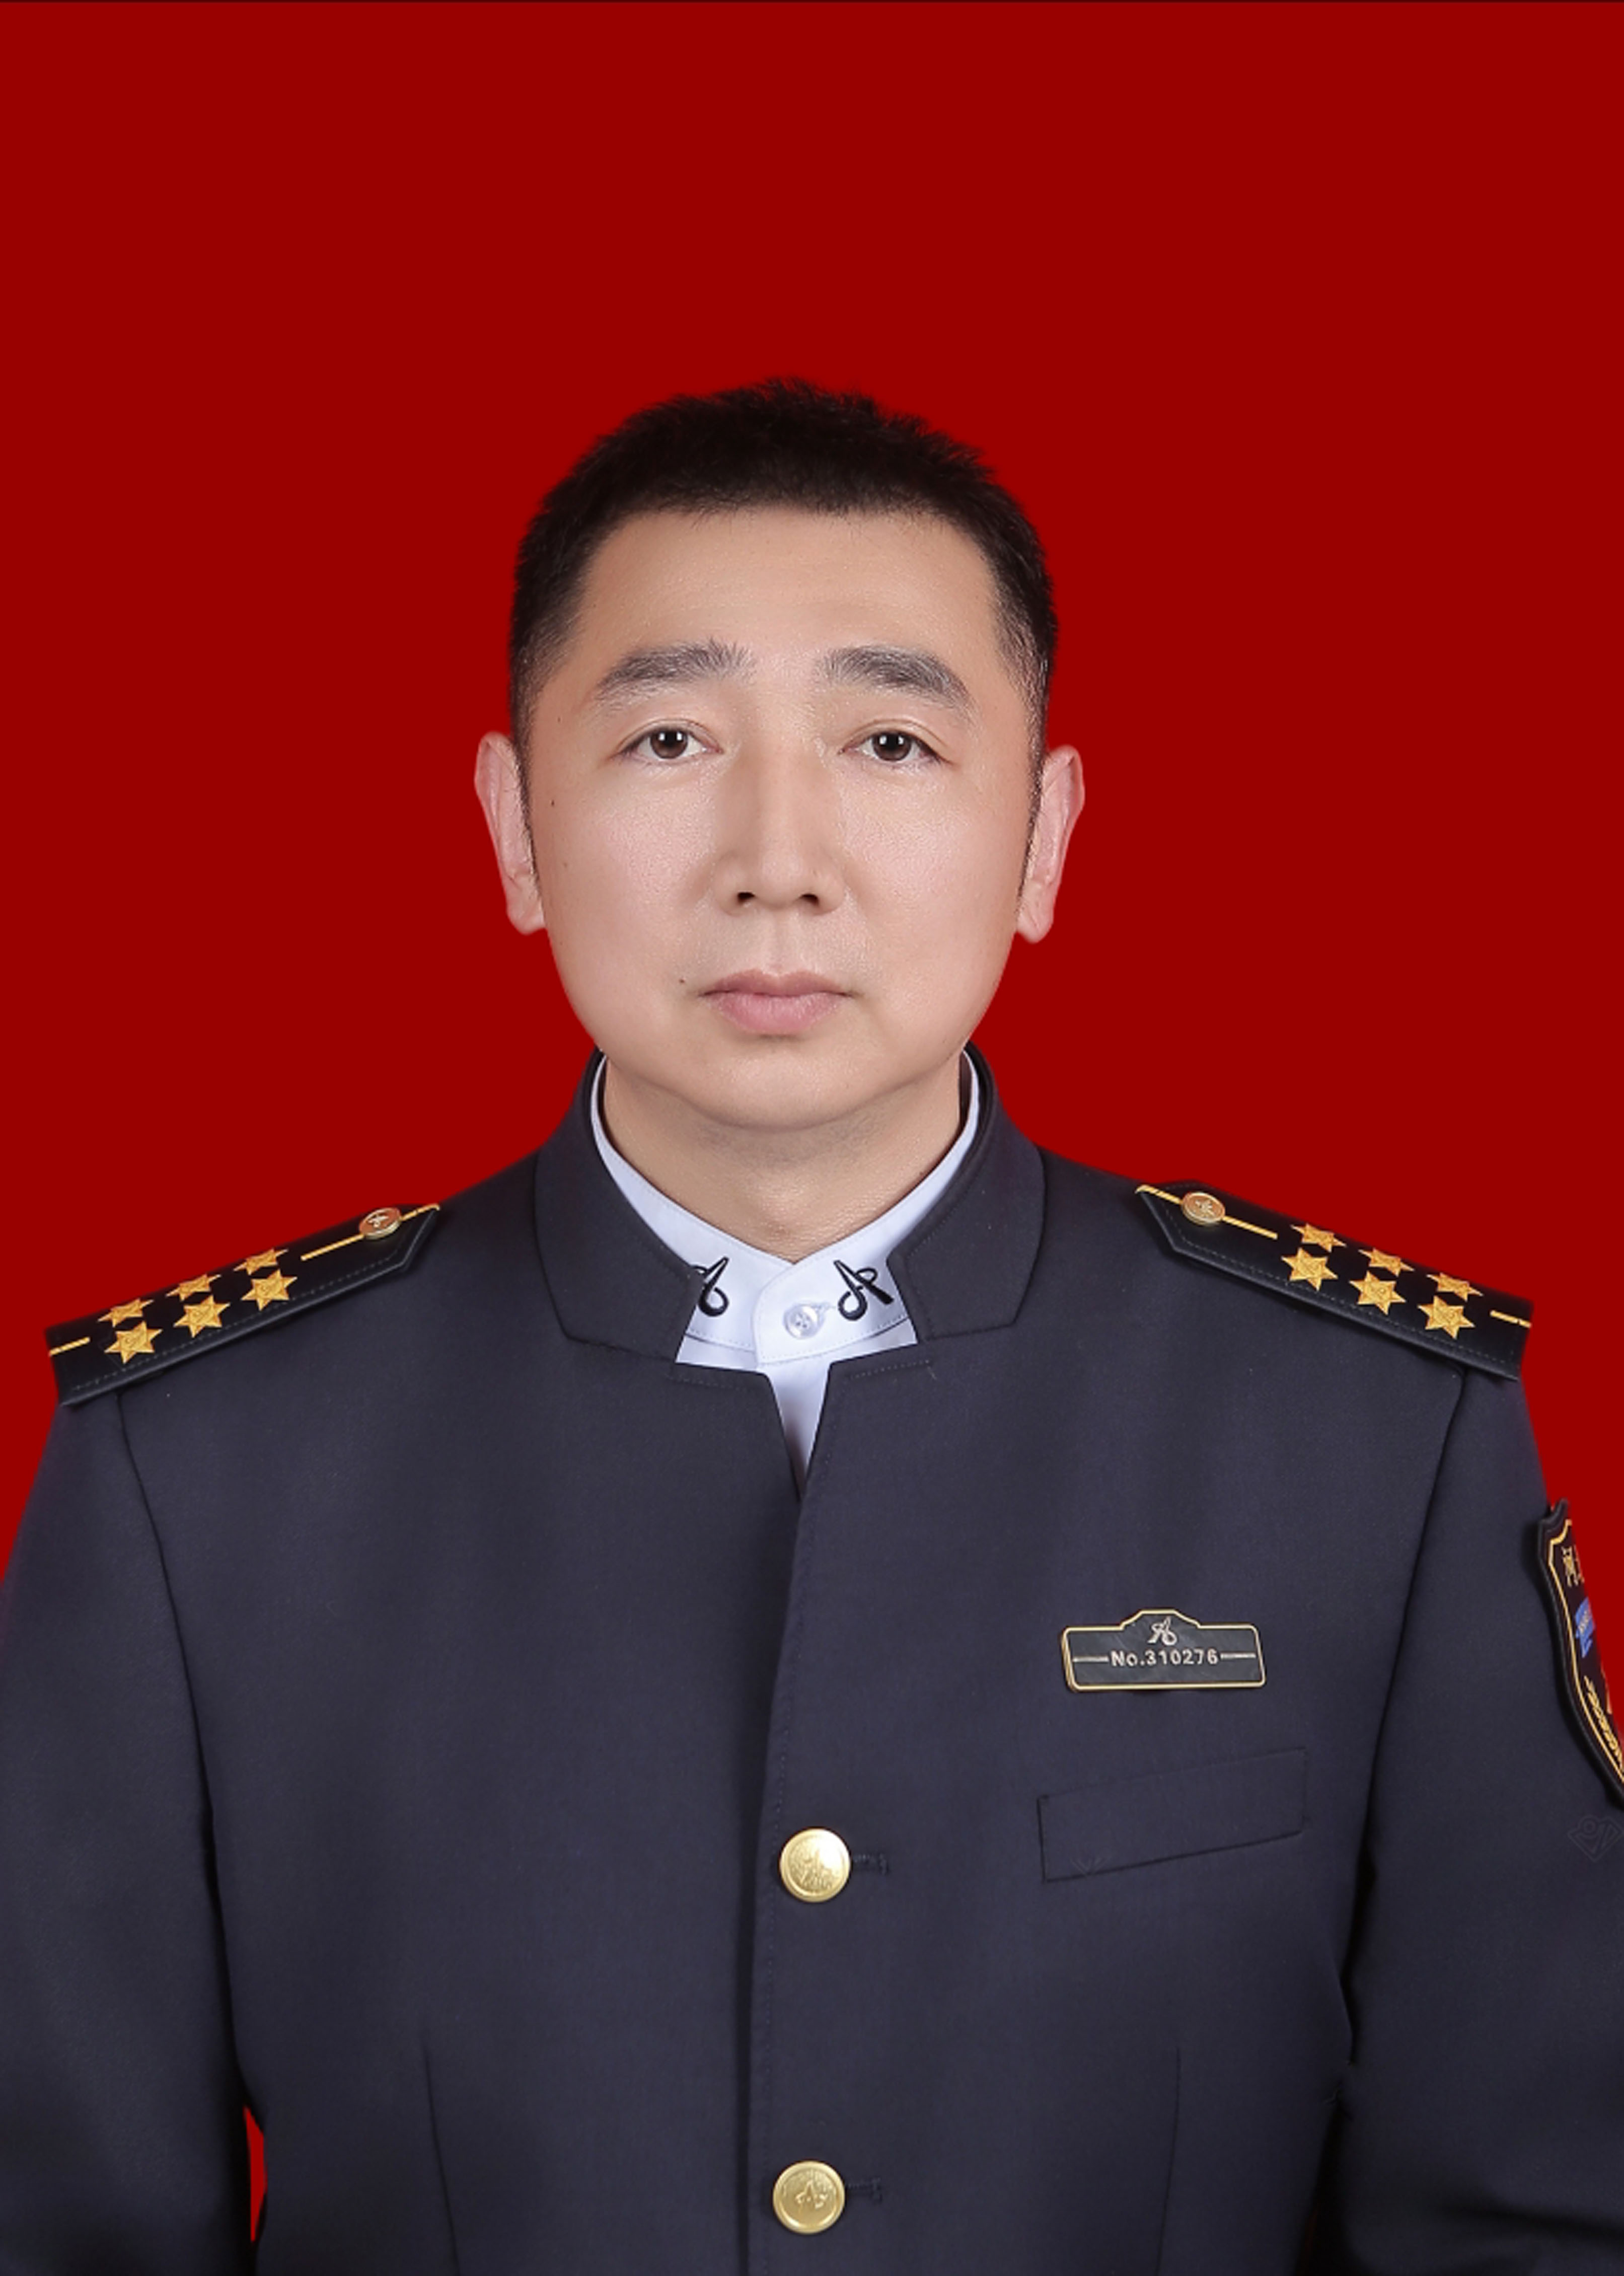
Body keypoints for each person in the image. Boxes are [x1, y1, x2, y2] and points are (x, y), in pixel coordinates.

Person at [1, 379, 1619, 2275]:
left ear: (1044, 835)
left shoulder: (1367, 1434)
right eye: (669, 737)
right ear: (515, 828)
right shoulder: (198, 1469)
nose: (778, 855)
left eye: (890, 740)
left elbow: (1528, 2222)